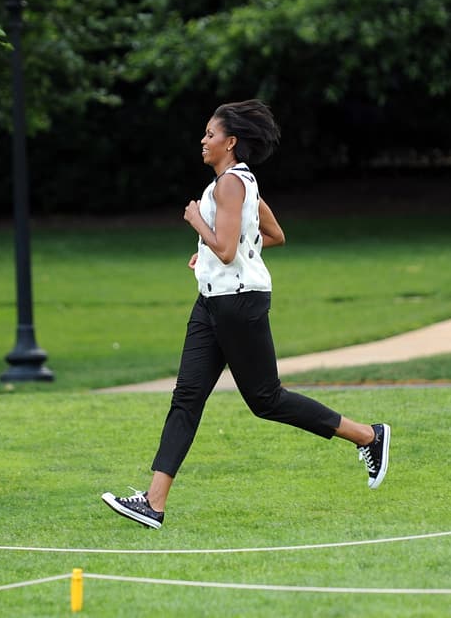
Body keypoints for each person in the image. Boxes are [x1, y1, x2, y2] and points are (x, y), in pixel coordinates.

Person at [101, 100, 389, 529]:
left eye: (211, 134)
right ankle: (153, 504)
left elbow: (228, 248)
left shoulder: (230, 185)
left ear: (231, 142)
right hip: (211, 301)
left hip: (238, 303)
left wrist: (197, 222)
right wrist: (208, 254)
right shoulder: (237, 183)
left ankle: (368, 435)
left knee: (266, 399)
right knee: (187, 397)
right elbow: (270, 235)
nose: (203, 140)